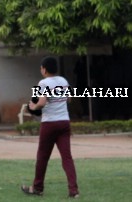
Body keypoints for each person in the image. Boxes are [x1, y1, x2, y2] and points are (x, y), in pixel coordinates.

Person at [22, 56, 79, 198]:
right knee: (67, 158)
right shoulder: (63, 81)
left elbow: (41, 102)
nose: (41, 69)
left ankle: (37, 188)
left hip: (49, 123)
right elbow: (69, 99)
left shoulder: (43, 83)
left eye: (41, 67)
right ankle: (74, 191)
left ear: (44, 69)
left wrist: (33, 106)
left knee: (42, 157)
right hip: (64, 122)